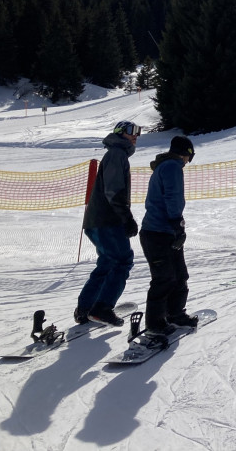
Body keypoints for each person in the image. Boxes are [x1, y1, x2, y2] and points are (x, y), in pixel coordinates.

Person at [75, 120, 141, 327]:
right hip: (108, 220)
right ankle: (102, 307)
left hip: (97, 220)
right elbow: (114, 190)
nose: (135, 136)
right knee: (122, 260)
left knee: (107, 262)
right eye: (131, 131)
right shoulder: (117, 154)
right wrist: (126, 217)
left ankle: (86, 308)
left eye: (138, 132)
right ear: (120, 133)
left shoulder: (115, 153)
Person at [139, 135, 198, 342]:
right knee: (164, 278)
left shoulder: (165, 166)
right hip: (158, 232)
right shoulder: (172, 167)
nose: (187, 162)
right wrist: (176, 221)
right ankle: (155, 324)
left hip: (164, 231)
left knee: (179, 274)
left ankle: (175, 313)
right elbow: (172, 196)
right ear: (186, 153)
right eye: (189, 157)